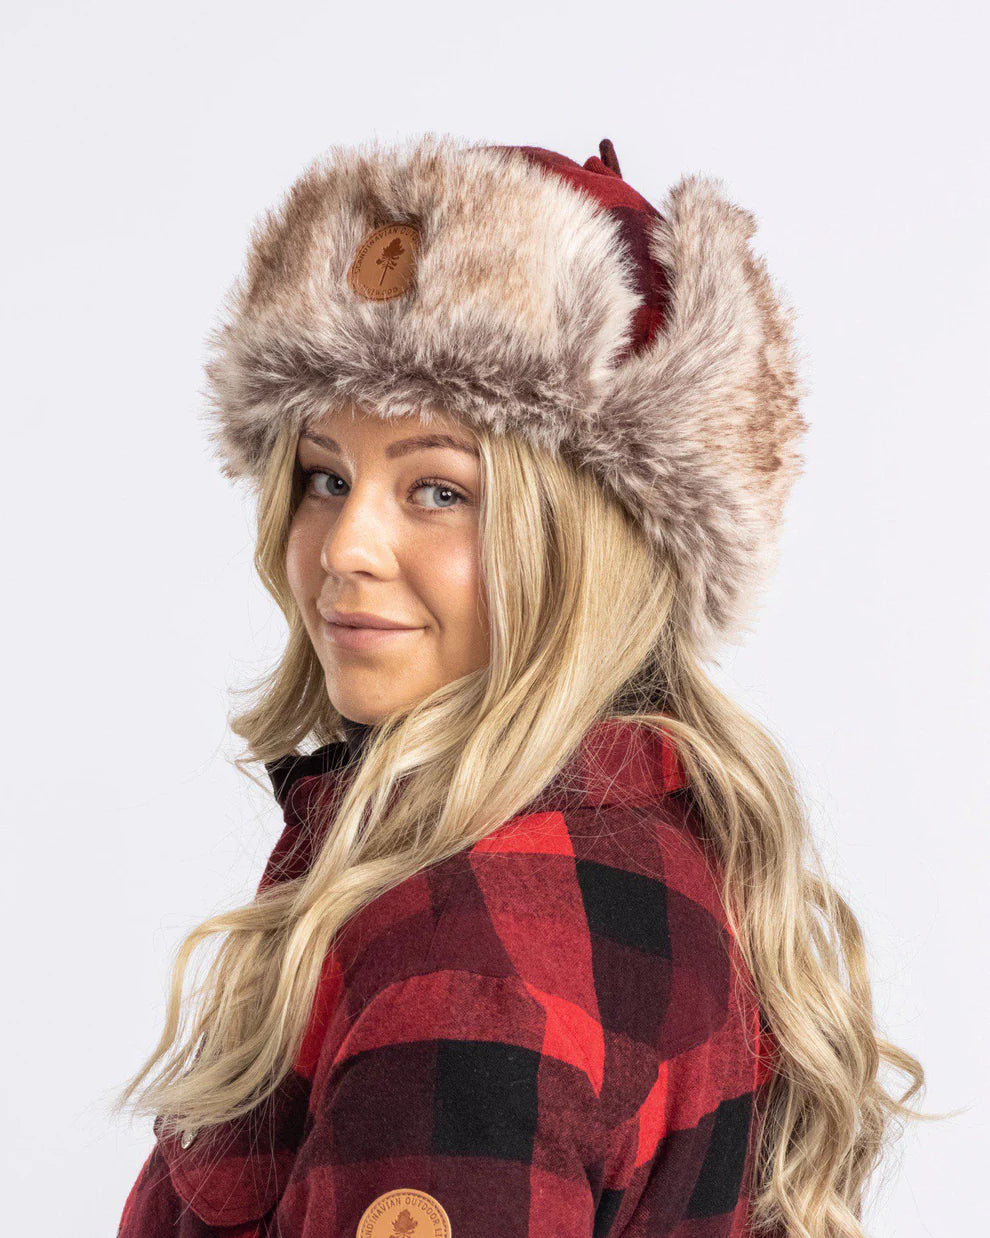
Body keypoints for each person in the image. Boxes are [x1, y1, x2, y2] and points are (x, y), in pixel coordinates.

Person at [113, 133, 930, 1238]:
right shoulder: (640, 832)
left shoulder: (476, 947)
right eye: (324, 476)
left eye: (438, 489)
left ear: (589, 538)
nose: (344, 547)